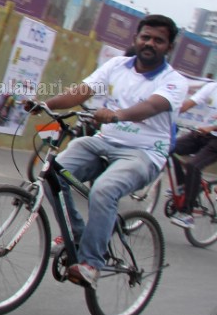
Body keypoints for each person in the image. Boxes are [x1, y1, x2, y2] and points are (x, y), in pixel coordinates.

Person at [24, 15, 186, 287]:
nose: (150, 43)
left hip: (144, 153)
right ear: (136, 38)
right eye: (145, 37)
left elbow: (152, 106)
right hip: (104, 142)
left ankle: (91, 263)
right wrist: (43, 104)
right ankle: (77, 233)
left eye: (159, 40)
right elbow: (80, 92)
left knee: (104, 189)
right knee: (52, 174)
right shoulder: (116, 66)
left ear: (169, 48)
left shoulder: (174, 81)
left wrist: (116, 115)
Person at [170, 78, 217, 227]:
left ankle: (187, 212)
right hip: (202, 133)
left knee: (194, 166)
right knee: (168, 148)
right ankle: (183, 186)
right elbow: (189, 103)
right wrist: (169, 112)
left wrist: (212, 128)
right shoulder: (212, 87)